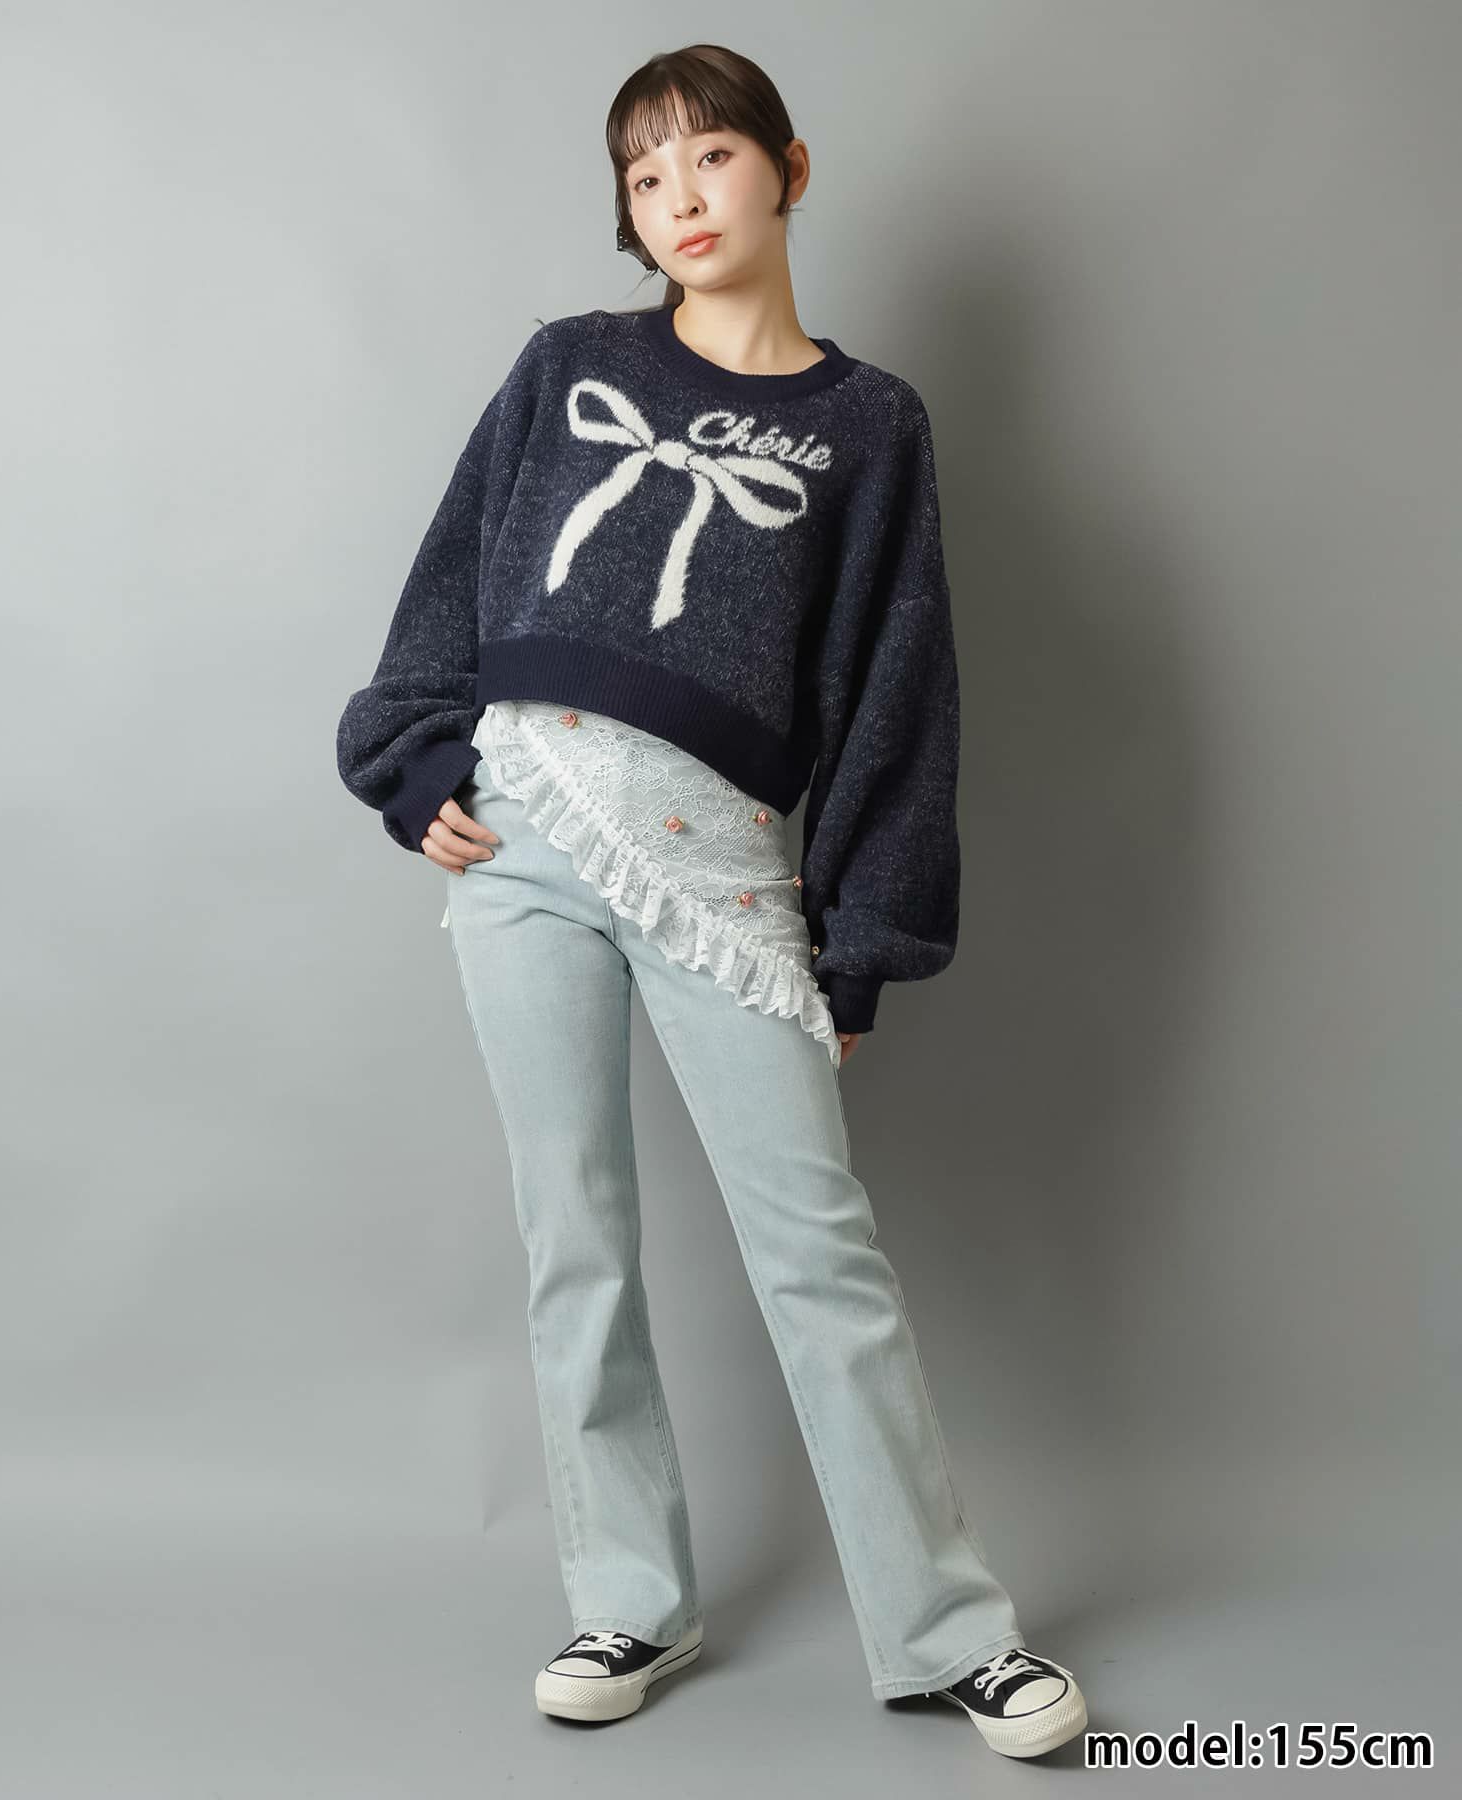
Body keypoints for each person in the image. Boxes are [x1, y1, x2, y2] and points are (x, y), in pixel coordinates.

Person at [336, 42, 1088, 1762]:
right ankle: (627, 1596)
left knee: (818, 1249)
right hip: (523, 835)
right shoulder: (568, 365)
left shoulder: (869, 424)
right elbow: (452, 577)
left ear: (789, 170)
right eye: (645, 173)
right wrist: (414, 757)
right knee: (574, 1231)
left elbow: (899, 690)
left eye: (712, 158)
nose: (679, 198)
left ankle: (949, 1631)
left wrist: (860, 939)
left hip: (722, 876)